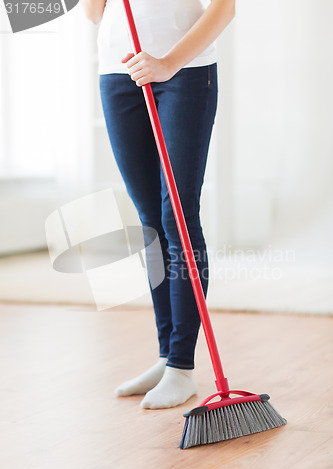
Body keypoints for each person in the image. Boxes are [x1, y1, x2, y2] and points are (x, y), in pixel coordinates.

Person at [80, 0, 235, 409]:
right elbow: (94, 13)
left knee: (177, 215)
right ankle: (167, 355)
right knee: (151, 218)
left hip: (185, 72)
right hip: (119, 71)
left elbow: (224, 8)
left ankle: (182, 367)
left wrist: (167, 63)